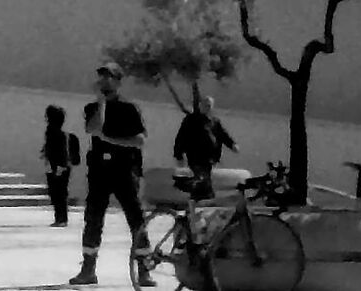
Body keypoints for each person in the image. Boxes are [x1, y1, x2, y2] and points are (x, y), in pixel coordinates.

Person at [73, 60, 154, 287]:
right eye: (101, 76)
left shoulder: (129, 108)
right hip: (99, 171)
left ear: (118, 81)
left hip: (124, 170)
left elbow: (139, 141)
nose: (104, 80)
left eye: (109, 77)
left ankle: (144, 269)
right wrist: (101, 103)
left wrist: (112, 141)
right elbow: (92, 128)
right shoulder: (92, 108)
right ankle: (88, 269)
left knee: (135, 218)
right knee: (93, 219)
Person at [172, 92, 235, 202]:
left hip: (209, 159)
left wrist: (232, 145)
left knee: (203, 179)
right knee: (202, 180)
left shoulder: (214, 122)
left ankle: (197, 200)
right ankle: (200, 199)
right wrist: (178, 155)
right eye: (205, 105)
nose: (207, 108)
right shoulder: (191, 120)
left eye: (209, 106)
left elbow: (223, 135)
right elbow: (181, 137)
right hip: (195, 157)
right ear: (200, 105)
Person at [43, 104, 83, 228]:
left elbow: (56, 150)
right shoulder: (58, 133)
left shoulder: (51, 132)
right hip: (63, 166)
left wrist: (58, 166)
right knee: (60, 192)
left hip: (56, 166)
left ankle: (61, 218)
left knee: (57, 192)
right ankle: (61, 218)